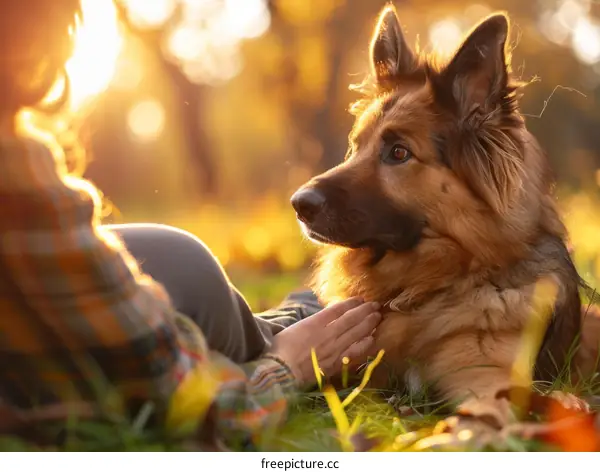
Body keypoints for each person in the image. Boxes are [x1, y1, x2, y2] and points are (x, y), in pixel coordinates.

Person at [0, 1, 382, 447]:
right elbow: (201, 411)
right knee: (204, 290)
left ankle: (298, 316)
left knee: (176, 264)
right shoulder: (17, 181)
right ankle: (303, 322)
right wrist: (288, 366)